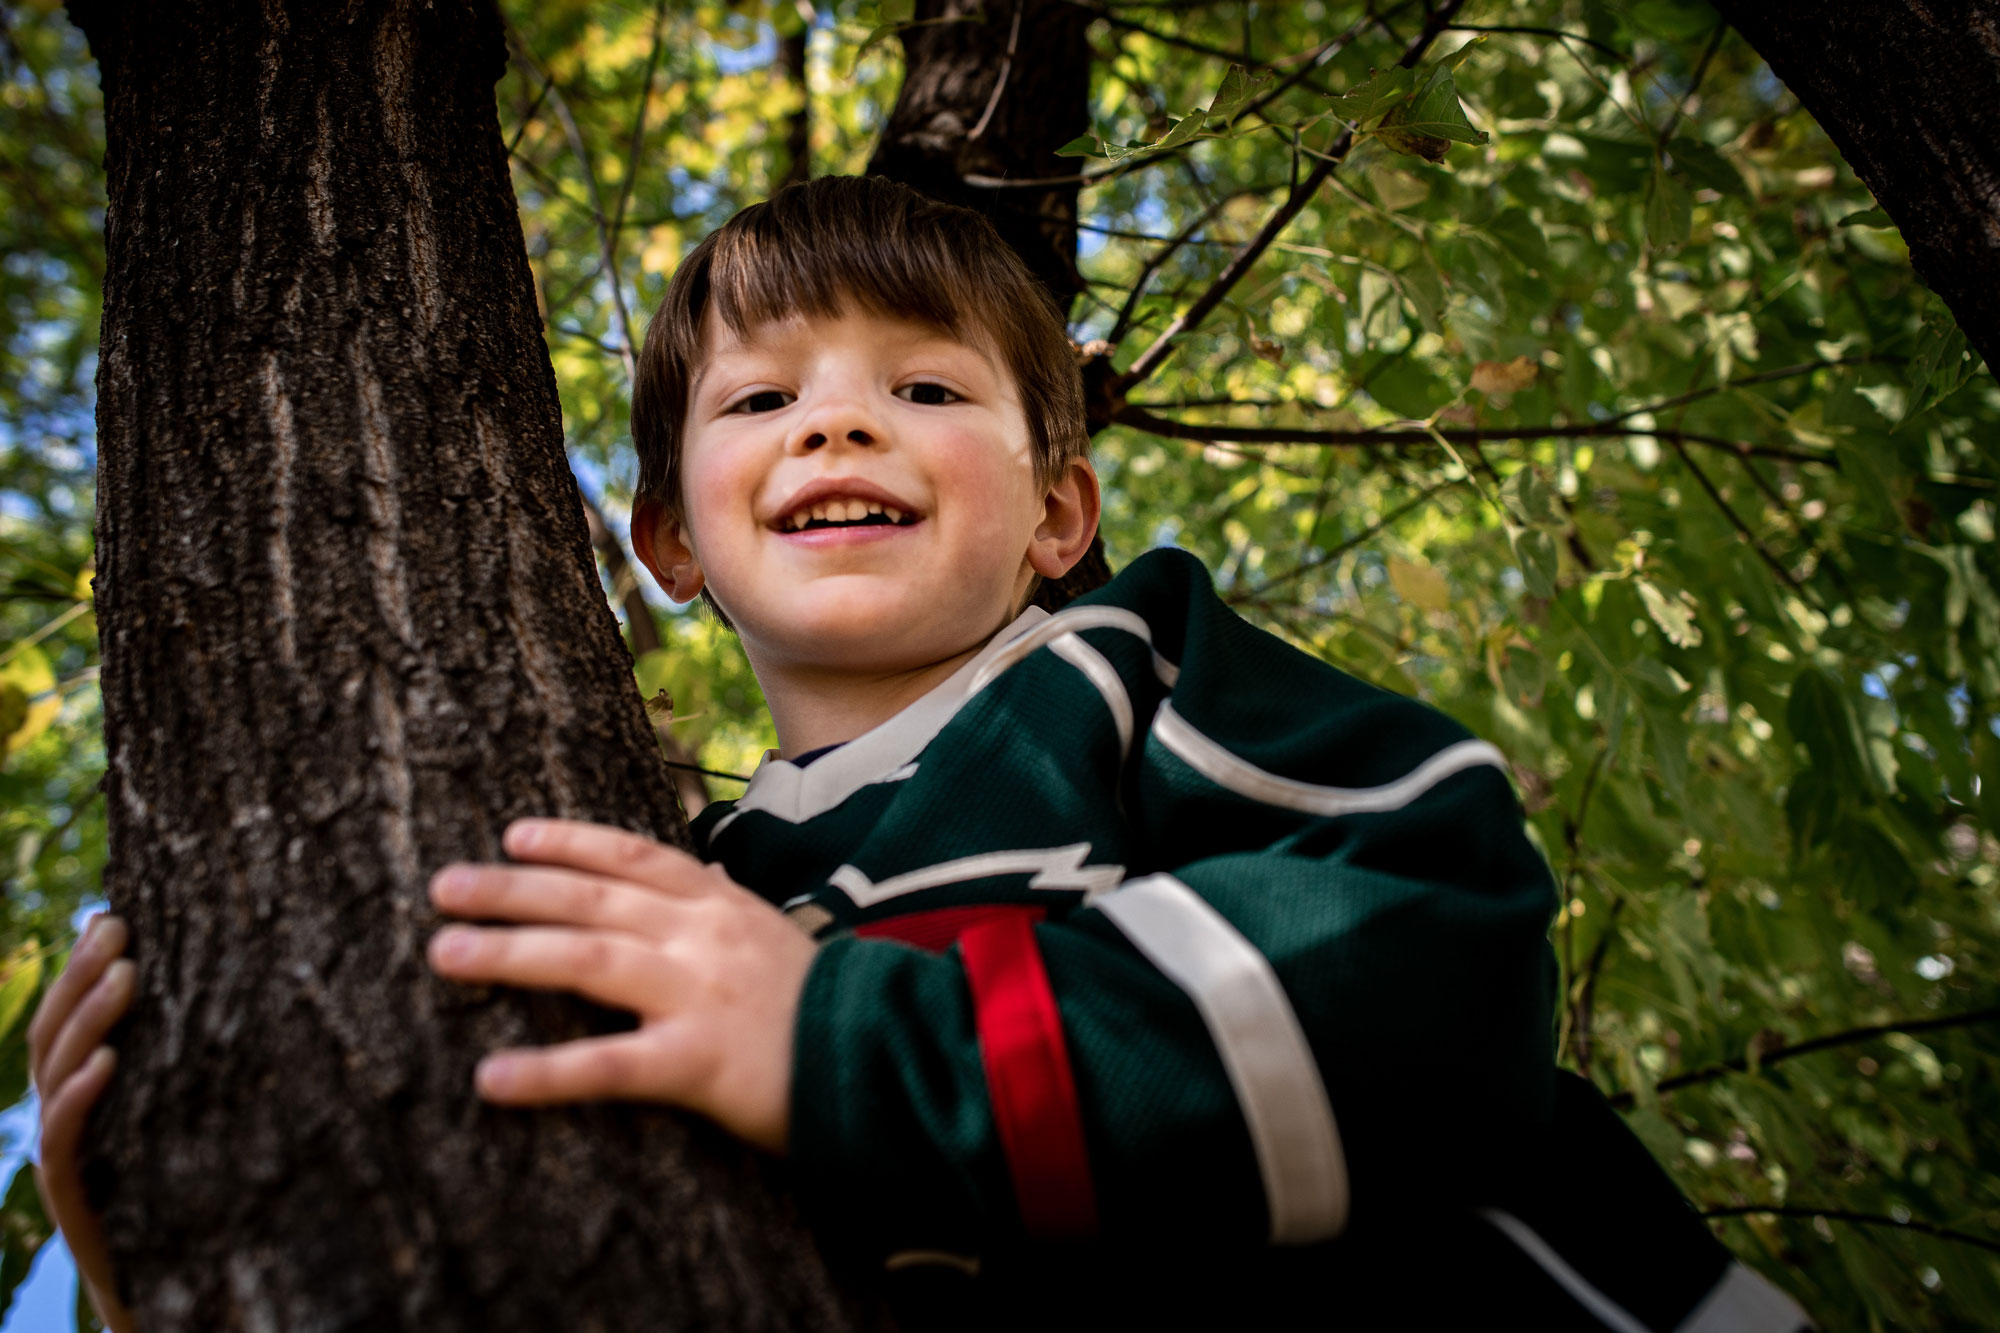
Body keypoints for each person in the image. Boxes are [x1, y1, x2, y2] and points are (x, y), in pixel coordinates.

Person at [31, 176, 1813, 1331]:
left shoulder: (1124, 665)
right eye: (761, 397)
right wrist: (183, 1246)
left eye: (929, 387)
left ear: (1057, 514)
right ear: (667, 541)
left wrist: (851, 1042)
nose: (841, 414)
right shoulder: (701, 905)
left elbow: (1432, 933)